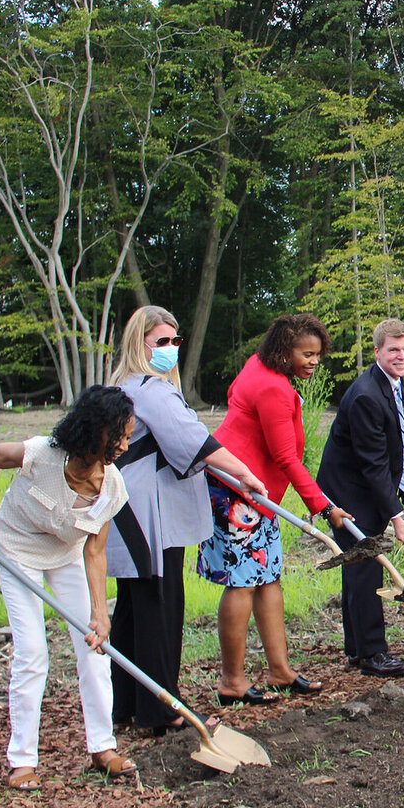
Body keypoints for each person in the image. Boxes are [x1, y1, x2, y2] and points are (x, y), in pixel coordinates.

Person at [0, 386, 136, 790]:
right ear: (95, 431)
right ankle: (22, 761)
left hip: (67, 555)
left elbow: (96, 552)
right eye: (120, 436)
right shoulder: (42, 454)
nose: (125, 446)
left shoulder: (112, 488)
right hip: (17, 550)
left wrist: (98, 613)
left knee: (94, 647)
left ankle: (102, 747)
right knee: (33, 653)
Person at [107, 305, 266, 735]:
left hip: (127, 506)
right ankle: (160, 710)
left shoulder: (124, 386)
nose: (170, 350)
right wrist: (244, 473)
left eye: (175, 341)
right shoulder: (151, 390)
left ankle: (125, 704)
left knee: (133, 608)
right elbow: (195, 441)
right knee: (160, 605)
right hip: (147, 512)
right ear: (138, 344)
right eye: (161, 342)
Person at [204, 313, 350, 704]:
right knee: (242, 582)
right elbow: (286, 457)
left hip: (258, 494)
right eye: (306, 354)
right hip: (237, 493)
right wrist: (324, 506)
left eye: (318, 354)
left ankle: (279, 671)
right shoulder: (274, 389)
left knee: (267, 577)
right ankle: (232, 682)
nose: (313, 361)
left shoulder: (258, 365)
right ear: (284, 352)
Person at [316, 319, 404, 675]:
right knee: (365, 570)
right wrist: (396, 516)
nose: (402, 356)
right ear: (377, 351)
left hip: (365, 488)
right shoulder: (366, 395)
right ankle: (372, 653)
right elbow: (373, 464)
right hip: (351, 494)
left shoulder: (390, 384)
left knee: (360, 569)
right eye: (394, 349)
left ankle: (357, 648)